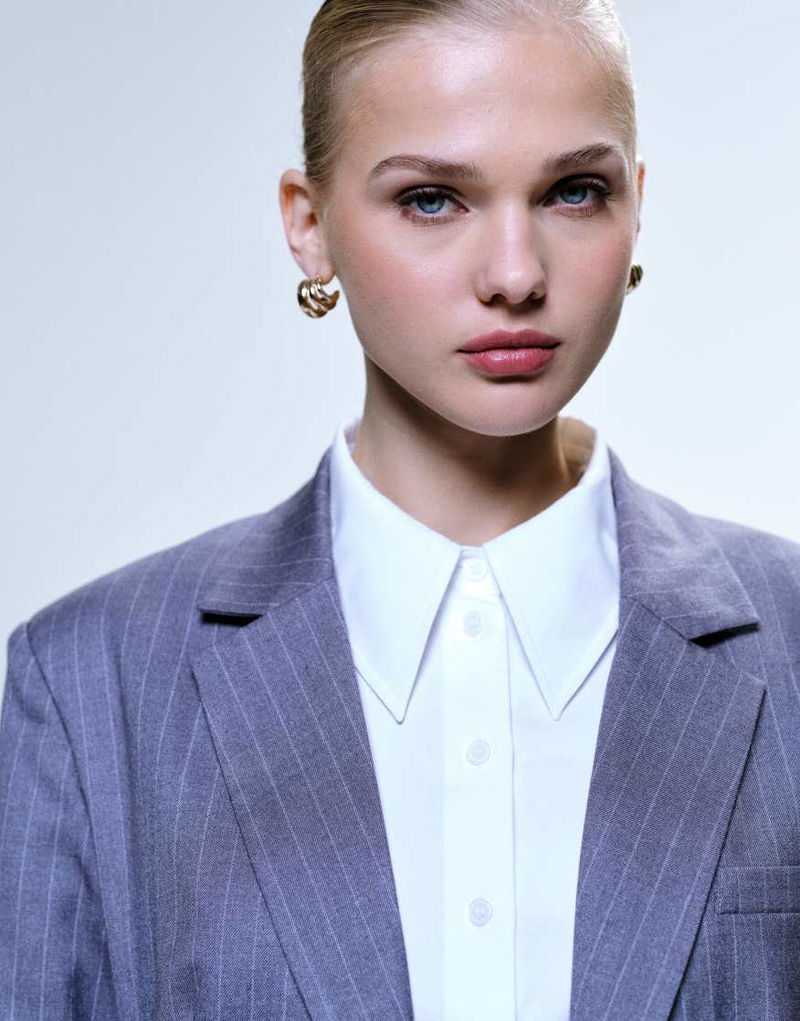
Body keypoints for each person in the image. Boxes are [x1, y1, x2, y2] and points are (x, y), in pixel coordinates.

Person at [2, 0, 799, 1018]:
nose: (514, 275)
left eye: (573, 191)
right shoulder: (90, 682)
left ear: (634, 206)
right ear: (309, 224)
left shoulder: (787, 640)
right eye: (431, 199)